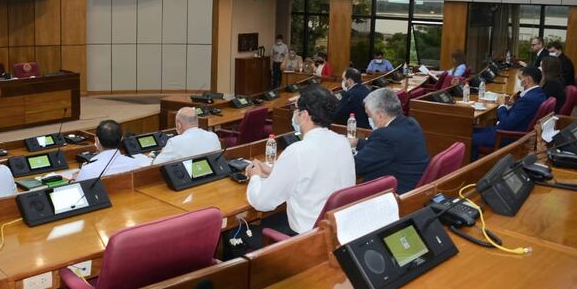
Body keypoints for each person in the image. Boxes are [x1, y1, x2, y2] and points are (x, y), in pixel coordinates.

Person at [245, 84, 355, 235]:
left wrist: (255, 176)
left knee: (237, 234)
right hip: (336, 229)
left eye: (295, 109)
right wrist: (274, 172)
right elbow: (318, 176)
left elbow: (261, 202)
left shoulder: (297, 151)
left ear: (304, 115)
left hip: (307, 237)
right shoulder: (342, 142)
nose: (294, 114)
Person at [349, 88, 430, 194]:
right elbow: (386, 148)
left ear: (380, 115)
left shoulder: (384, 135)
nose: (370, 119)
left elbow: (356, 166)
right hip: (413, 187)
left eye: (369, 115)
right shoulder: (411, 123)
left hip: (395, 194)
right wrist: (357, 142)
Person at [471, 67, 546, 159]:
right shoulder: (539, 94)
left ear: (528, 79)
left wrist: (501, 105)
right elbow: (520, 114)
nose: (519, 81)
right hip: (513, 131)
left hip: (507, 136)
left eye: (520, 78)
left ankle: (474, 166)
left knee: (468, 138)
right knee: (469, 131)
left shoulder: (528, 99)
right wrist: (512, 104)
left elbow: (507, 123)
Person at [75, 120, 150, 181]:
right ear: (121, 139)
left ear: (96, 140)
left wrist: (76, 178)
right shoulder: (134, 164)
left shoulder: (87, 170)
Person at [151, 107, 222, 165]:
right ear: (197, 121)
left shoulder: (175, 142)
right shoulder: (213, 136)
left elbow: (155, 165)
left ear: (178, 125)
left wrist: (161, 152)